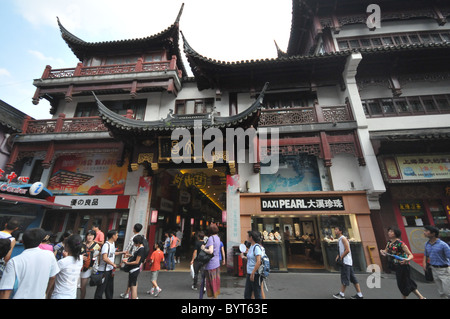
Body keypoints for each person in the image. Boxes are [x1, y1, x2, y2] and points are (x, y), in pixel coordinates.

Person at [0, 228, 59, 299]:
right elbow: (53, 277)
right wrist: (46, 292)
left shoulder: (15, 261)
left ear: (23, 242)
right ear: (40, 242)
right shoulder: (50, 255)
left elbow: (6, 291)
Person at [380, 227, 425, 299]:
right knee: (407, 282)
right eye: (389, 231)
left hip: (403, 265)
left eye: (392, 231)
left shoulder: (401, 243)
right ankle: (421, 297)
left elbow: (411, 255)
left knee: (402, 283)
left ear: (396, 233)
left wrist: (407, 259)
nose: (389, 233)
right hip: (396, 265)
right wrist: (383, 252)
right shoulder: (389, 243)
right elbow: (386, 251)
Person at [48, 234, 83, 299]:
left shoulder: (62, 262)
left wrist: (47, 292)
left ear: (67, 246)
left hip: (59, 295)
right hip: (72, 295)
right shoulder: (80, 259)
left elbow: (53, 277)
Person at [332, 226, 364, 299]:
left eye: (336, 229)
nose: (335, 231)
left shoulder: (343, 239)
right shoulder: (340, 239)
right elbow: (341, 250)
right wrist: (338, 255)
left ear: (340, 231)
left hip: (345, 262)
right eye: (335, 229)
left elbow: (347, 250)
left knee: (345, 277)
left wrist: (341, 257)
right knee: (353, 278)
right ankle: (359, 294)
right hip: (348, 262)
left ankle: (341, 294)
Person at [94, 230, 126, 299]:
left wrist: (122, 252)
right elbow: (105, 258)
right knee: (101, 289)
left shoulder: (112, 244)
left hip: (110, 270)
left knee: (109, 289)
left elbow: (113, 253)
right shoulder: (106, 245)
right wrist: (113, 264)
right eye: (117, 235)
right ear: (113, 236)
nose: (118, 236)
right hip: (104, 271)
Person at [423, 225, 450, 299]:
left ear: (433, 233)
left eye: (426, 231)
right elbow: (426, 254)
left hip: (444, 269)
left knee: (447, 291)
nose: (424, 232)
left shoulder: (443, 245)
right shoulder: (427, 244)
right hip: (434, 269)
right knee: (441, 292)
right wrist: (424, 263)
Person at [120, 223, 143, 299]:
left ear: (134, 229)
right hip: (138, 261)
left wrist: (124, 260)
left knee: (132, 279)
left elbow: (127, 249)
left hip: (133, 261)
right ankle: (131, 294)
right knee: (134, 280)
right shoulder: (142, 238)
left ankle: (128, 293)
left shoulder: (133, 238)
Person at [200, 223, 221, 299]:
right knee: (215, 283)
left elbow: (211, 251)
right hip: (217, 263)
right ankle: (215, 297)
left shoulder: (211, 238)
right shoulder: (218, 238)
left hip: (210, 264)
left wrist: (203, 248)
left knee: (210, 284)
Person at [241, 230, 263, 299]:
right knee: (247, 295)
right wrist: (244, 257)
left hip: (255, 274)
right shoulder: (251, 247)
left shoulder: (256, 247)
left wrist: (253, 273)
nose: (247, 237)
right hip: (249, 273)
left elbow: (258, 261)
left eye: (248, 236)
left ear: (251, 237)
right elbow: (251, 259)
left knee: (257, 294)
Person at [79, 230, 101, 299]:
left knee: (83, 287)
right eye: (88, 235)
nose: (90, 237)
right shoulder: (82, 244)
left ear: (94, 236)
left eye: (91, 235)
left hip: (88, 268)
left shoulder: (96, 246)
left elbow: (98, 256)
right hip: (79, 266)